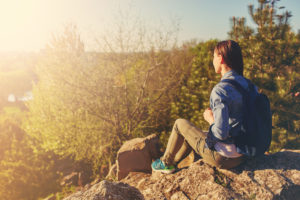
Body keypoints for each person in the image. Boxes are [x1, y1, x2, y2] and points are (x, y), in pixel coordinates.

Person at [151, 40, 251, 173]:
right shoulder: (248, 85)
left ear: (220, 59)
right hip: (244, 153)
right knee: (194, 134)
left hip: (223, 158)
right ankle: (173, 164)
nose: (213, 60)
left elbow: (221, 133)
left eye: (214, 56)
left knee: (179, 123)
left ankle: (165, 162)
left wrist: (210, 119)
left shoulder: (221, 90)